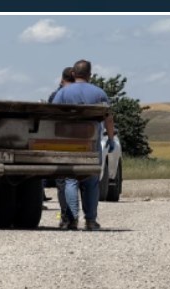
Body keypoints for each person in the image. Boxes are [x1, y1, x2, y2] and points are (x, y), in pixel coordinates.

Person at [51, 60, 117, 231]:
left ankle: (72, 219)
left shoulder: (63, 93)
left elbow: (51, 115)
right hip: (91, 142)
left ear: (74, 74)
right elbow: (108, 118)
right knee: (91, 181)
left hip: (68, 143)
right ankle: (90, 220)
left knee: (70, 179)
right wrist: (110, 139)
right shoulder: (99, 93)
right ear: (90, 75)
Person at [47, 67, 77, 228]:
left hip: (60, 142)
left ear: (62, 79)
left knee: (63, 182)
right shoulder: (82, 94)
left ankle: (66, 216)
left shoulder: (56, 96)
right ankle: (88, 218)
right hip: (81, 143)